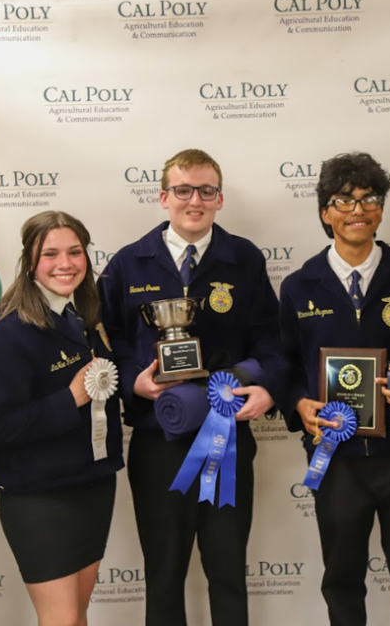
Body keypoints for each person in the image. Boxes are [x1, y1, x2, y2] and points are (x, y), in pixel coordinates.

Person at [98, 148, 286, 626]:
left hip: (227, 439)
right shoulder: (127, 264)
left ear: (219, 199)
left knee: (228, 573)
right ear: (164, 196)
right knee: (163, 576)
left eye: (206, 190)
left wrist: (266, 390)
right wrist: (131, 380)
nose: (194, 200)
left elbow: (272, 344)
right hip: (157, 439)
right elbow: (104, 343)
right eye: (183, 190)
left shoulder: (243, 258)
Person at [279, 152, 390, 626]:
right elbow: (285, 365)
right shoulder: (297, 286)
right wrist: (299, 403)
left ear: (382, 208)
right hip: (335, 461)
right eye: (343, 201)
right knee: (342, 582)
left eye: (369, 198)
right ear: (325, 212)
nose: (357, 210)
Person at [0, 211, 123, 626]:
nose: (66, 263)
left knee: (76, 616)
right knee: (59, 619)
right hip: (40, 496)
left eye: (75, 252)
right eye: (51, 253)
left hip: (93, 485)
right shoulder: (7, 333)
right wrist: (69, 399)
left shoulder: (86, 315)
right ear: (30, 261)